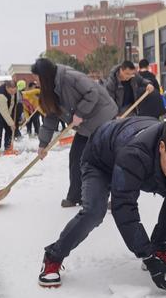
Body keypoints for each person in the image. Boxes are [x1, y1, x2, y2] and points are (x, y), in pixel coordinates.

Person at [38, 116, 166, 289]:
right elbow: (124, 206)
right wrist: (145, 256)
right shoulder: (136, 153)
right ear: (162, 147)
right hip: (101, 162)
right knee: (94, 211)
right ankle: (53, 257)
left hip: (138, 161)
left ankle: (158, 249)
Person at [31, 58, 118, 208]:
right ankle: (75, 196)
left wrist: (80, 112)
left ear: (44, 75)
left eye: (36, 77)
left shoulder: (70, 77)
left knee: (104, 159)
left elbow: (92, 92)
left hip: (103, 118)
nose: (35, 81)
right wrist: (43, 144)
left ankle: (113, 198)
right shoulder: (50, 88)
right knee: (76, 157)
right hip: (85, 124)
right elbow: (51, 116)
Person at [0, 81, 19, 158]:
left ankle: (8, 148)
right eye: (11, 91)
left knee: (9, 129)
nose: (13, 93)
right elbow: (4, 112)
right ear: (7, 88)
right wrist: (11, 123)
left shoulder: (14, 92)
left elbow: (11, 104)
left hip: (5, 110)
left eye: (15, 90)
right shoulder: (0, 95)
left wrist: (10, 120)